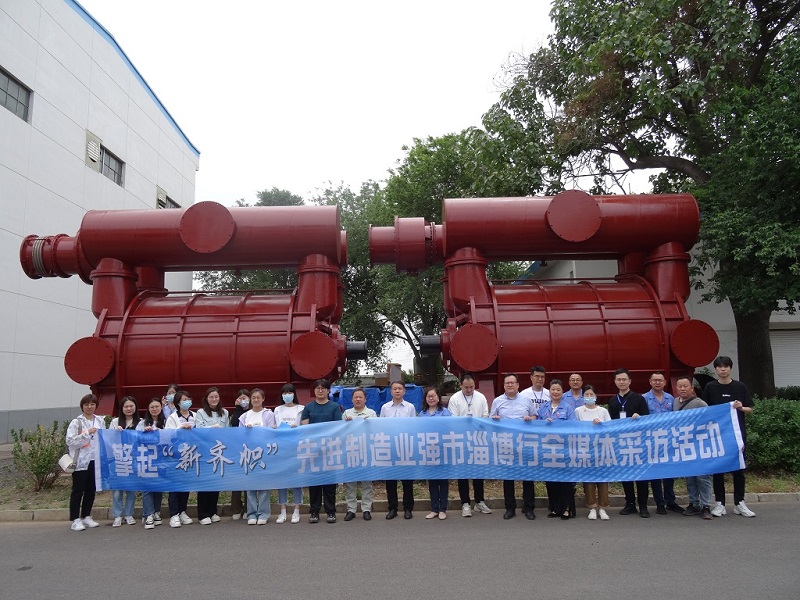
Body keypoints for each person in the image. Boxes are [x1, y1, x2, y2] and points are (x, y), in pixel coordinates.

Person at [703, 356, 756, 518]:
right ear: (716, 369)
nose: (723, 369)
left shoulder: (740, 386)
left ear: (730, 368)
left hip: (737, 434)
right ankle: (720, 503)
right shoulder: (710, 387)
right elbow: (705, 410)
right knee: (718, 469)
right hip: (717, 435)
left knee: (739, 470)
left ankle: (740, 503)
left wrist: (741, 407)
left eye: (726, 366)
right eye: (720, 367)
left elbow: (750, 409)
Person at [490, 373, 537, 520]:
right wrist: (495, 419)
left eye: (512, 383)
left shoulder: (526, 400)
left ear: (518, 385)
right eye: (507, 383)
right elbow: (490, 420)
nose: (510, 385)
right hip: (506, 444)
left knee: (527, 476)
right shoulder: (497, 401)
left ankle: (529, 507)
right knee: (508, 477)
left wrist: (530, 418)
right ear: (504, 386)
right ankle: (510, 508)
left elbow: (535, 416)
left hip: (524, 443)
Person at [607, 368, 651, 517]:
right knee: (625, 474)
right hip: (621, 443)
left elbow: (647, 420)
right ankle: (630, 503)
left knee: (641, 475)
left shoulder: (639, 399)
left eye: (624, 379)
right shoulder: (612, 401)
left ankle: (643, 505)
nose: (621, 382)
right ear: (615, 382)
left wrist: (640, 417)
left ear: (630, 381)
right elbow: (611, 423)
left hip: (638, 442)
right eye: (619, 379)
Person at [447, 372, 492, 517]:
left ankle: (479, 501)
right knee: (463, 473)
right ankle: (465, 503)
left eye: (471, 387)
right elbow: (453, 420)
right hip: (461, 440)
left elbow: (485, 416)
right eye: (466, 387)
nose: (469, 390)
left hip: (478, 440)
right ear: (460, 385)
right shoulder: (455, 398)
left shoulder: (481, 397)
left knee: (478, 473)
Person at [301, 378, 342, 524]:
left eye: (323, 388)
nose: (320, 391)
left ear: (328, 390)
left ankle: (331, 512)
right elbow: (305, 428)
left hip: (330, 450)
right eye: (317, 388)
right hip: (313, 450)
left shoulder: (334, 407)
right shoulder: (308, 407)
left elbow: (337, 427)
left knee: (330, 483)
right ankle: (314, 512)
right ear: (314, 391)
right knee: (315, 483)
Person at [674, 377, 714, 520]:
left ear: (691, 388)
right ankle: (693, 503)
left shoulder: (699, 403)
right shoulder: (675, 402)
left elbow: (711, 420)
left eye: (685, 386)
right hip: (685, 446)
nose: (682, 389)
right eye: (680, 386)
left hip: (700, 445)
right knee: (690, 476)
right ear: (676, 388)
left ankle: (706, 506)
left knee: (703, 476)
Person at [643, 372, 682, 514]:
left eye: (660, 380)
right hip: (651, 441)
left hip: (668, 440)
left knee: (669, 471)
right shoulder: (644, 398)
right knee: (655, 472)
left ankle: (670, 501)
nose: (657, 382)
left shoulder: (671, 398)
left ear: (665, 382)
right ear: (650, 382)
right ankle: (659, 502)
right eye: (655, 380)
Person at [66, 393, 106, 531]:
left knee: (91, 490)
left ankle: (86, 515)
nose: (89, 407)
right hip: (81, 461)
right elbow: (70, 440)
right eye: (86, 404)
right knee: (78, 490)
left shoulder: (100, 420)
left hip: (95, 460)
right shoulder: (76, 422)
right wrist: (87, 433)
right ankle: (75, 519)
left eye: (92, 404)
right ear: (82, 406)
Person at [537, 379, 576, 520]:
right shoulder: (544, 407)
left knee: (565, 480)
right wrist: (543, 423)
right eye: (553, 389)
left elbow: (573, 426)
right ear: (549, 391)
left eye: (558, 389)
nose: (555, 392)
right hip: (547, 448)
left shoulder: (568, 408)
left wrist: (558, 425)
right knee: (551, 479)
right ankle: (554, 508)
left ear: (562, 392)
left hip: (563, 448)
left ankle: (566, 509)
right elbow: (536, 425)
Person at [380, 380, 417, 520]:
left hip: (406, 446)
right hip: (390, 448)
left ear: (404, 391)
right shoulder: (385, 408)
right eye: (394, 388)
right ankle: (392, 508)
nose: (397, 391)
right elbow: (381, 427)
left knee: (407, 480)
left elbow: (414, 426)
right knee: (391, 481)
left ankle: (408, 508)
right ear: (391, 391)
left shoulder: (410, 407)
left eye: (400, 388)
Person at [240, 387, 277, 525]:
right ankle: (251, 514)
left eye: (258, 397)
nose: (256, 400)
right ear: (250, 399)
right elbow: (239, 435)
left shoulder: (268, 414)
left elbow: (271, 433)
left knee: (263, 484)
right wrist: (246, 431)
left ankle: (263, 513)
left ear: (263, 399)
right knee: (250, 485)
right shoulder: (244, 416)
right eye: (253, 397)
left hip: (263, 453)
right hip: (248, 453)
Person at [574, 385, 611, 520]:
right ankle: (592, 507)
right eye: (587, 395)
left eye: (591, 394)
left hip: (601, 449)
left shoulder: (603, 411)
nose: (589, 397)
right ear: (583, 396)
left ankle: (603, 507)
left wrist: (600, 425)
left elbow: (610, 428)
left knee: (603, 479)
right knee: (589, 479)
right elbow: (575, 428)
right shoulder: (578, 411)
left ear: (596, 396)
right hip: (585, 449)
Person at [194, 386, 229, 525]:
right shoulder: (200, 412)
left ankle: (213, 511)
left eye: (216, 397)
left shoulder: (225, 412)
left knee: (216, 481)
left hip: (219, 451)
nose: (214, 399)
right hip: (205, 451)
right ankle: (203, 514)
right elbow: (198, 429)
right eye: (211, 397)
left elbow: (228, 431)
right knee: (204, 482)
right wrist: (211, 428)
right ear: (206, 399)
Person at [342, 387, 377, 521]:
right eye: (355, 397)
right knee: (350, 482)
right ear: (352, 399)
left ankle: (366, 509)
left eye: (360, 397)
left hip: (366, 451)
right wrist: (346, 423)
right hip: (351, 451)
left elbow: (376, 431)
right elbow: (341, 432)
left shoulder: (371, 413)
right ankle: (351, 509)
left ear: (365, 399)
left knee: (366, 482)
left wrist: (369, 423)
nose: (358, 399)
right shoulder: (346, 413)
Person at [419, 387, 452, 520]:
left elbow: (450, 429)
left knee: (443, 481)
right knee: (432, 481)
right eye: (429, 396)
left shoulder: (445, 412)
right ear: (425, 399)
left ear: (438, 397)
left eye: (433, 396)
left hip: (443, 450)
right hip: (428, 451)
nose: (431, 398)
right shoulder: (422, 413)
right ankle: (434, 509)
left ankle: (443, 509)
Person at [273, 383, 304, 524]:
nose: (287, 395)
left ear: (294, 394)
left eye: (289, 392)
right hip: (281, 448)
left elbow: (306, 426)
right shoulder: (277, 410)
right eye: (284, 393)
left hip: (296, 447)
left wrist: (298, 427)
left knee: (297, 480)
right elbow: (273, 427)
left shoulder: (301, 409)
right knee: (282, 480)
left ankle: (296, 510)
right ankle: (283, 511)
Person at [165, 390, 195, 527]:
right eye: (184, 400)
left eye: (188, 399)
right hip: (176, 455)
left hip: (191, 454)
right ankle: (174, 514)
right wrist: (181, 428)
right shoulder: (172, 417)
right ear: (178, 402)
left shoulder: (194, 415)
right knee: (175, 484)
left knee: (185, 484)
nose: (187, 402)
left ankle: (182, 511)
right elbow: (168, 434)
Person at [109, 396, 140, 527]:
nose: (129, 408)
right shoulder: (115, 422)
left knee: (131, 489)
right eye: (126, 406)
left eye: (131, 406)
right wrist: (115, 433)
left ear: (135, 407)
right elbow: (108, 440)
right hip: (118, 460)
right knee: (117, 491)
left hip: (134, 460)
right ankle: (117, 515)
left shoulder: (140, 422)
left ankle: (129, 514)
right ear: (121, 408)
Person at [136, 397, 166, 529]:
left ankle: (156, 512)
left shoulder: (166, 421)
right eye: (152, 407)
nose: (154, 409)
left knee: (158, 487)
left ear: (161, 407)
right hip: (146, 459)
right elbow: (135, 439)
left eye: (157, 406)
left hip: (161, 459)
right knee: (147, 488)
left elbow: (171, 437)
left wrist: (161, 433)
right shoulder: (142, 423)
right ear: (148, 409)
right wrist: (144, 433)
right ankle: (148, 514)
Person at [228, 388, 250, 520]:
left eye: (245, 398)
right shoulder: (236, 412)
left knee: (248, 479)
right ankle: (236, 508)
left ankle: (248, 508)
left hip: (252, 449)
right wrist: (237, 408)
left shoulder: (253, 412)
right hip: (237, 449)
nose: (243, 400)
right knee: (236, 479)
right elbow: (234, 423)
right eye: (240, 398)